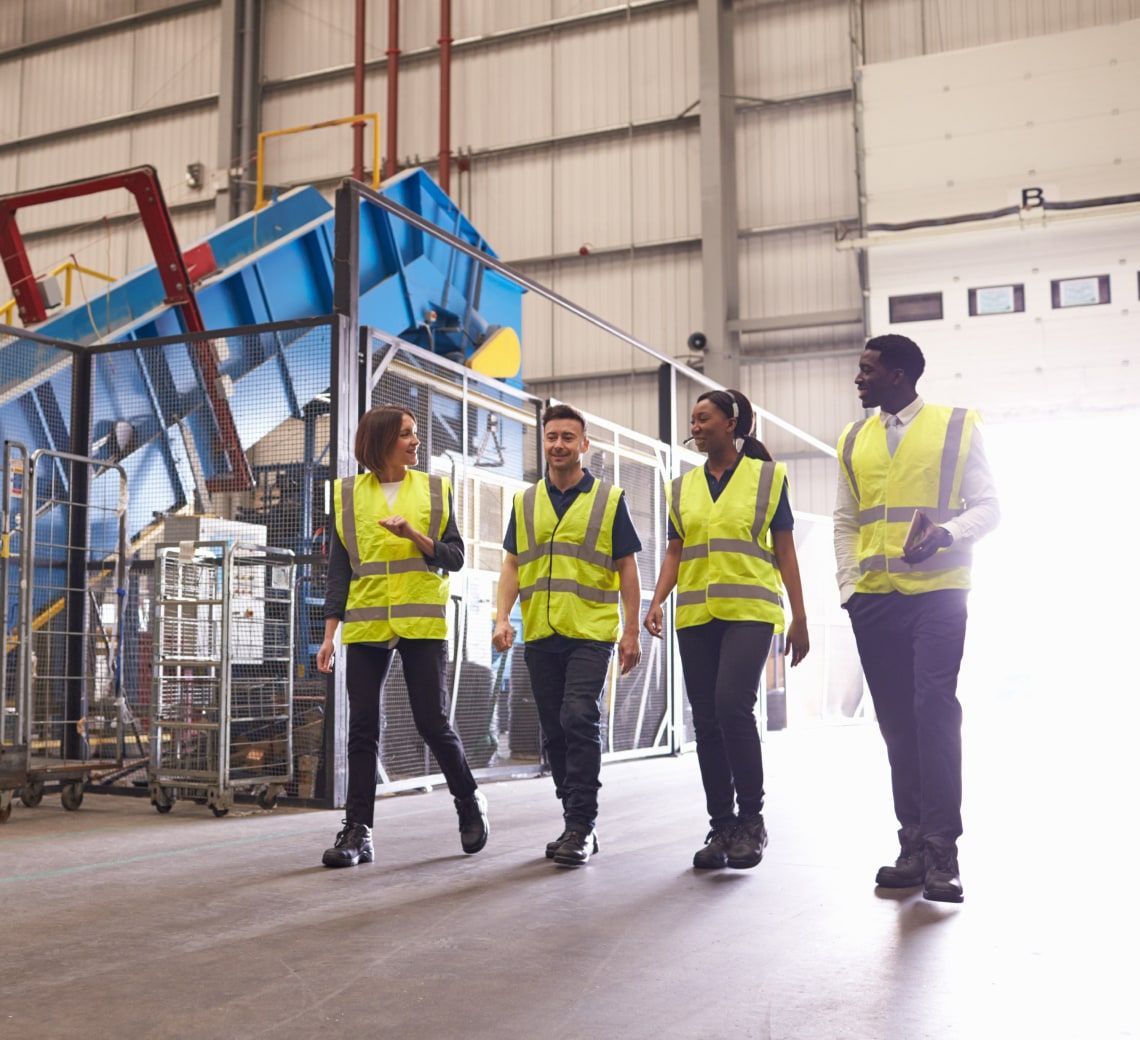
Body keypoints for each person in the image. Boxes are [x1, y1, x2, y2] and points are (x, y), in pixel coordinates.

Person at [835, 334, 999, 903]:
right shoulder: (854, 438)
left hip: (939, 593)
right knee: (898, 724)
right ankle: (910, 846)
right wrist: (848, 588)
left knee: (934, 712)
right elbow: (845, 519)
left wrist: (948, 535)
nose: (858, 379)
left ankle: (942, 854)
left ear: (900, 375)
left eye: (867, 370)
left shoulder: (956, 426)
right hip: (875, 598)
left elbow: (989, 506)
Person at [644, 389, 810, 871]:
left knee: (732, 707)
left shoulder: (768, 478)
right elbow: (676, 550)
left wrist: (800, 617)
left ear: (731, 423)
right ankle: (722, 825)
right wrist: (656, 601)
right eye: (692, 420)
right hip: (696, 615)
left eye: (704, 418)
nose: (695, 426)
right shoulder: (681, 487)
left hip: (751, 611)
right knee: (707, 720)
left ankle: (752, 822)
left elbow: (786, 551)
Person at [317, 406, 489, 868]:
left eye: (415, 433)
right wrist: (329, 634)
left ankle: (469, 802)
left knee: (432, 721)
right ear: (382, 441)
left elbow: (455, 557)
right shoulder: (349, 495)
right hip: (368, 622)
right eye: (407, 435)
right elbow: (339, 571)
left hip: (421, 621)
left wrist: (415, 535)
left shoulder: (433, 490)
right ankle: (358, 832)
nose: (416, 441)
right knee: (363, 727)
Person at [492, 403, 643, 867]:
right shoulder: (525, 501)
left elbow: (628, 569)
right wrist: (502, 618)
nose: (558, 444)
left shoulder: (609, 500)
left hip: (590, 632)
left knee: (579, 717)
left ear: (584, 444)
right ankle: (571, 818)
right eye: (551, 436)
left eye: (567, 437)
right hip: (539, 632)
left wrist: (631, 630)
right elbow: (513, 564)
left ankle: (582, 824)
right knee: (554, 732)